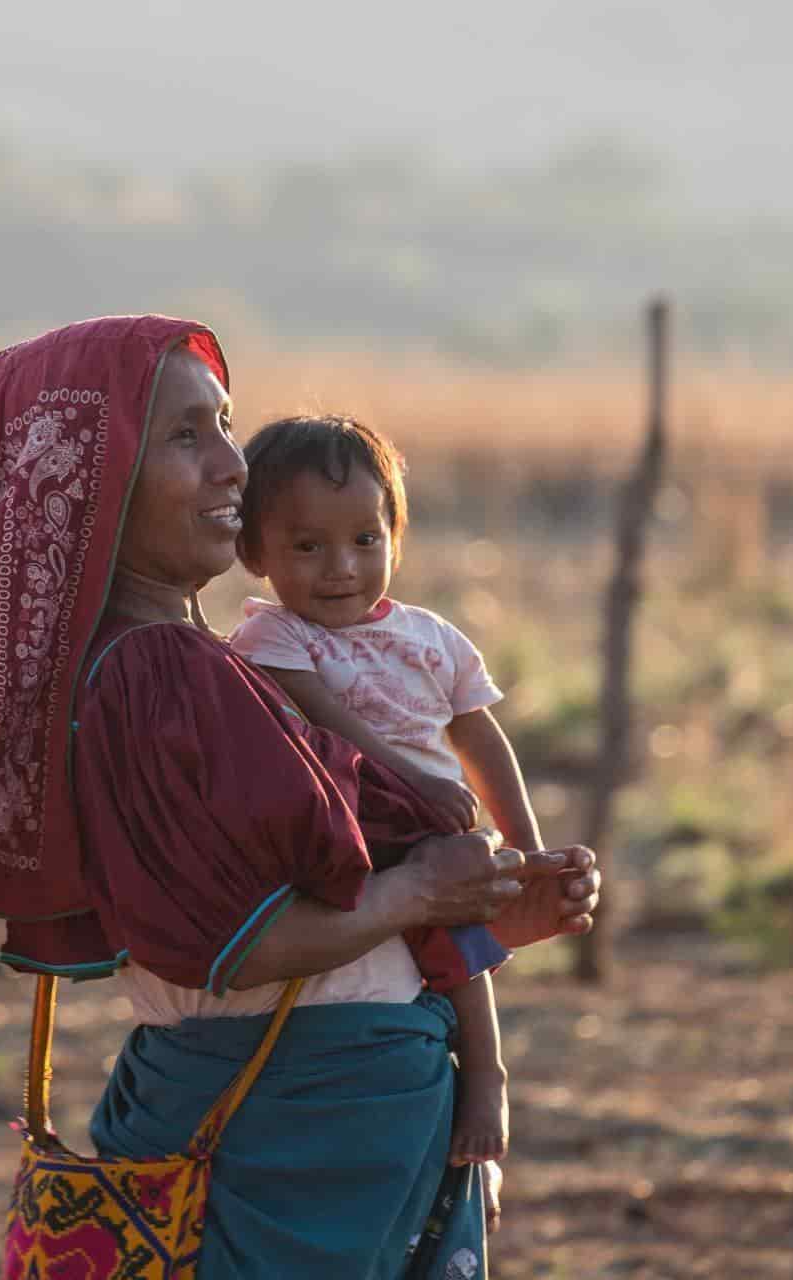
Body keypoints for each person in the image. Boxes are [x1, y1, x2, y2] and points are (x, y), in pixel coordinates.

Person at [0, 316, 599, 1278]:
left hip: (316, 1111)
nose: (235, 466)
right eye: (187, 435)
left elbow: (288, 917)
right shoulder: (160, 674)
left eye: (225, 425)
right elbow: (232, 944)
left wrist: (487, 911)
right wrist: (424, 892)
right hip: (304, 1122)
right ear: (99, 475)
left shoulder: (201, 665)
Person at [228, 414, 544, 1170]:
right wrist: (421, 787)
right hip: (348, 820)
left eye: (365, 541)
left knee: (462, 943)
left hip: (433, 829)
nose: (340, 567)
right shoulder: (272, 639)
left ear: (395, 537)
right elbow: (331, 727)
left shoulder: (433, 637)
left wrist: (527, 847)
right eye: (308, 546)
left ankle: (487, 1074)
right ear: (252, 552)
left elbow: (481, 739)